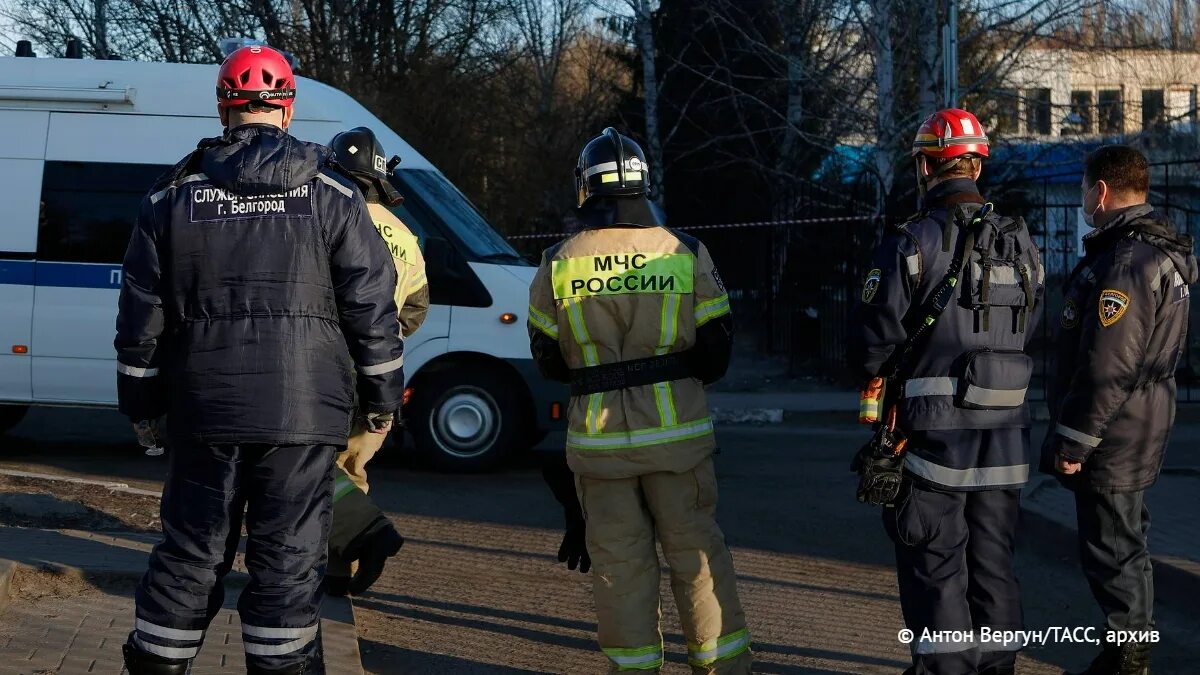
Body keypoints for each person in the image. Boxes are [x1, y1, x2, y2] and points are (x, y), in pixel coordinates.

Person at [115, 45, 405, 675]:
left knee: (189, 558)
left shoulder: (171, 196)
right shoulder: (333, 194)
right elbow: (371, 308)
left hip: (203, 411)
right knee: (289, 562)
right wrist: (382, 401)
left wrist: (141, 407)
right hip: (303, 417)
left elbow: (140, 322)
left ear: (224, 107)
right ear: (288, 106)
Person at [528, 128, 751, 675]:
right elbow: (716, 354)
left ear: (586, 186)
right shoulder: (685, 252)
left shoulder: (558, 262)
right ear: (644, 182)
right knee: (697, 559)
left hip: (599, 447)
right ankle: (721, 668)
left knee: (620, 567)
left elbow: (548, 361)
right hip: (679, 444)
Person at [849, 108, 1044, 675]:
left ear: (926, 165)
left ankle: (943, 670)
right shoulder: (1021, 242)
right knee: (993, 566)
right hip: (1007, 434)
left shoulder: (912, 240)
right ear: (977, 165)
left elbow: (871, 340)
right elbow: (1029, 328)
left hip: (933, 438)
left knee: (935, 566)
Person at [1041, 145, 1196, 675]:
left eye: (1085, 189)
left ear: (1100, 191)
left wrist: (1074, 441)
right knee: (1125, 539)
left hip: (1116, 427)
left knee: (1112, 546)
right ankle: (1127, 649)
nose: (1084, 199)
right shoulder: (1152, 252)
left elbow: (1108, 365)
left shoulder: (1126, 262)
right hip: (1141, 418)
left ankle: (1129, 658)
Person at [323, 126, 430, 597]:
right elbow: (415, 310)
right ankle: (335, 573)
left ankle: (362, 540)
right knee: (349, 472)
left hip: (322, 369)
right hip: (378, 376)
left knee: (298, 467)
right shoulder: (406, 237)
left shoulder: (323, 215)